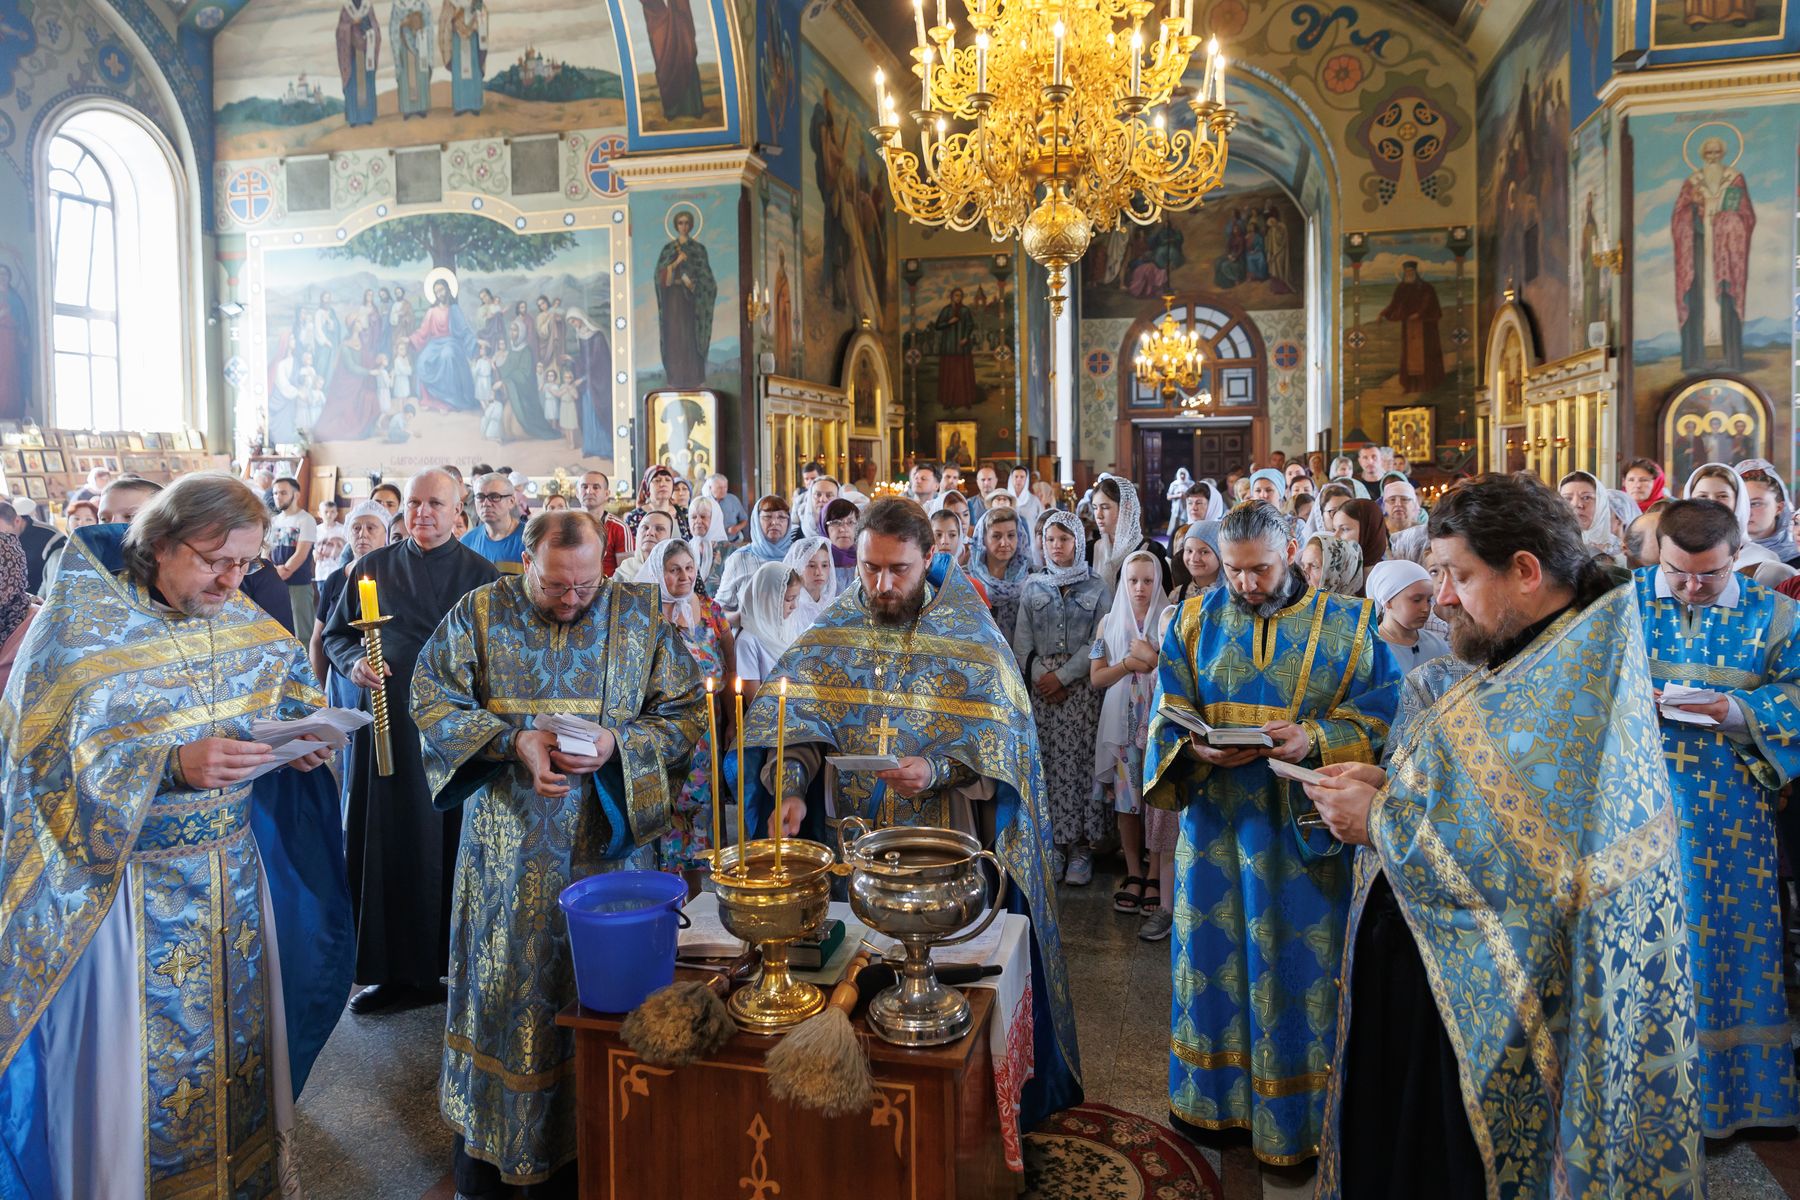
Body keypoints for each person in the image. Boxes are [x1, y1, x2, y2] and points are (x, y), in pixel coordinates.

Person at [1306, 473, 1703, 1198]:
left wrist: (1381, 823)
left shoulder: (1575, 682)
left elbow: (1536, 867)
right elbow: (1493, 804)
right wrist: (1394, 789)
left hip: (1496, 1021)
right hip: (1448, 979)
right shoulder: (1547, 649)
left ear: (1525, 570)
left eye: (1457, 576)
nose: (1445, 597)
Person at [0, 475, 352, 1197]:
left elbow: (287, 688)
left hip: (234, 888)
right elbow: (37, 763)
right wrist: (166, 764)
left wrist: (306, 739)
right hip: (125, 904)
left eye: (246, 564)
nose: (232, 580)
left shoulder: (237, 614)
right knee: (132, 1086)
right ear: (159, 545)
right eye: (213, 561)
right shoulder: (77, 629)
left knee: (236, 1069)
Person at [740, 497, 1081, 1129]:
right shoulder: (837, 626)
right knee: (852, 983)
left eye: (898, 569)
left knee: (942, 995)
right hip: (849, 845)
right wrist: (789, 786)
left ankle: (956, 1124)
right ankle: (848, 1114)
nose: (882, 584)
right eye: (869, 568)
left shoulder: (971, 635)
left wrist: (938, 767)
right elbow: (799, 725)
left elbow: (1003, 744)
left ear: (930, 558)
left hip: (942, 844)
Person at [412, 510, 703, 1197]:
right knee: (510, 993)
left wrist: (615, 748)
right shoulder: (480, 611)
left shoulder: (637, 616)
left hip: (610, 857)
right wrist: (514, 741)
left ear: (604, 564)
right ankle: (493, 1165)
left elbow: (686, 710)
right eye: (554, 587)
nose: (571, 600)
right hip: (507, 859)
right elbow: (431, 694)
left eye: (584, 585)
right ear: (526, 561)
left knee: (605, 1005)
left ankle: (607, 1162)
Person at [1143, 499, 1399, 1164]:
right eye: (1233, 570)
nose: (1246, 584)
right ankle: (1214, 1107)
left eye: (1259, 568)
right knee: (1212, 964)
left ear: (1290, 550)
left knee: (1298, 976)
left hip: (1303, 837)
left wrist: (1313, 735)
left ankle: (1300, 1121)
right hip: (1216, 831)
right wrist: (1193, 750)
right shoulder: (1193, 618)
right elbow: (1169, 708)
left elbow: (1383, 716)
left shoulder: (1351, 623)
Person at [1634, 498, 1800, 1136]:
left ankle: (1737, 1103)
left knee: (1725, 940)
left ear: (1738, 557)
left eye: (1709, 574)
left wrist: (1734, 713)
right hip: (1637, 809)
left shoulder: (1777, 614)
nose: (1691, 587)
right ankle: (1650, 1106)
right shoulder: (1626, 607)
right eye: (1677, 573)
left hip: (1731, 813)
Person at [323, 469, 499, 1014]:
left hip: (452, 733)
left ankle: (457, 967)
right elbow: (337, 635)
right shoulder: (371, 568)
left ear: (457, 512)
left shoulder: (481, 573)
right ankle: (396, 973)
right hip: (387, 730)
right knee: (390, 843)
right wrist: (354, 664)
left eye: (435, 504)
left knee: (449, 843)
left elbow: (499, 656)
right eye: (415, 503)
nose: (423, 513)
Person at [1015, 511, 1111, 884]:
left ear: (1078, 542)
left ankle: (1081, 848)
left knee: (1080, 764)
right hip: (1043, 693)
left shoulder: (1097, 587)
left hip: (1081, 689)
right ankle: (1053, 844)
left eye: (1064, 540)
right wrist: (1042, 676)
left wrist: (1065, 676)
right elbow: (1021, 642)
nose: (1057, 547)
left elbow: (1100, 640)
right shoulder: (1032, 586)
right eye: (1050, 540)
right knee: (1049, 765)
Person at [636, 537, 732, 878]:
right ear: (659, 572)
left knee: (703, 802)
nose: (684, 576)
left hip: (708, 727)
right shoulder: (646, 614)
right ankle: (667, 883)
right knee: (672, 799)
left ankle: (696, 881)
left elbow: (728, 661)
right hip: (666, 727)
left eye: (689, 568)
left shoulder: (709, 609)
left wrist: (732, 720)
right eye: (674, 570)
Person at [1090, 550, 1172, 939]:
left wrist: (1154, 658)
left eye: (1148, 580)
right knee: (1126, 800)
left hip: (1157, 723)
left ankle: (1156, 874)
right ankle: (1134, 872)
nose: (1140, 588)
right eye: (1133, 580)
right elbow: (1097, 677)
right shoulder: (1107, 623)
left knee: (1156, 800)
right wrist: (1129, 663)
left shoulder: (1170, 619)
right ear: (1123, 583)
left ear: (1158, 582)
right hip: (1122, 722)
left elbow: (1180, 669)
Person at [1365, 559, 1449, 671]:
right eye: (1416, 600)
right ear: (1388, 601)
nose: (1426, 608)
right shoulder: (1370, 651)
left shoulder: (1437, 643)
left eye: (1429, 600)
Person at [1091, 474, 1169, 591]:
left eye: (1105, 507)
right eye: (1095, 507)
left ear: (1126, 508)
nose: (1098, 515)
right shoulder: (1091, 550)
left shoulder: (1152, 552)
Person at [715, 495, 794, 609]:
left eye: (781, 517)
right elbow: (721, 607)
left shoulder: (799, 556)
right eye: (767, 517)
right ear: (756, 520)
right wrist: (740, 618)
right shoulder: (739, 559)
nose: (774, 522)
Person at [734, 562, 798, 700]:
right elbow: (754, 699)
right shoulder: (747, 641)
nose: (794, 606)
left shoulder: (788, 629)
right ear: (767, 599)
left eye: (795, 598)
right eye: (788, 599)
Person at [971, 508, 1029, 653]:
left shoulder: (1030, 577)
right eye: (996, 536)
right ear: (983, 538)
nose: (1005, 543)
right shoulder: (968, 578)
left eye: (1011, 535)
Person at [269, 475, 320, 634]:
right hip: (276, 583)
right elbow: (266, 551)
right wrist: (270, 572)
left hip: (298, 584)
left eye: (283, 493)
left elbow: (301, 553)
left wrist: (284, 571)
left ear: (296, 495)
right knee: (278, 629)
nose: (278, 497)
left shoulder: (306, 519)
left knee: (302, 631)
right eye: (275, 493)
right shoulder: (274, 521)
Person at [462, 471, 526, 573]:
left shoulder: (531, 540)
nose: (486, 503)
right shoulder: (467, 543)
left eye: (495, 497)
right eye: (480, 497)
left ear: (511, 501)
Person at [1738, 460, 1800, 565]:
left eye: (1756, 504)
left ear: (1779, 508)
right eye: (1742, 504)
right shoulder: (1724, 555)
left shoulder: (1797, 554)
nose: (1747, 512)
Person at [1557, 470, 1623, 561]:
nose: (1577, 504)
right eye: (1568, 498)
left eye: (1586, 498)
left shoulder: (1620, 549)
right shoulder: (1553, 545)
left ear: (1601, 503)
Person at [576, 470, 630, 576]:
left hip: (607, 588)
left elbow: (626, 573)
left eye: (596, 487)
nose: (589, 491)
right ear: (577, 493)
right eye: (584, 487)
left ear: (606, 494)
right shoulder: (567, 525)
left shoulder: (619, 528)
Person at [782, 534, 836, 631]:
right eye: (811, 566)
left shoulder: (832, 606)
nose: (819, 572)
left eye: (824, 565)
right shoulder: (791, 608)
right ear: (797, 567)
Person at [1330, 499, 1388, 585]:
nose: (1335, 537)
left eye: (1345, 529)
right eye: (1334, 529)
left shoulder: (1386, 578)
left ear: (1369, 530)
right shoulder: (1334, 570)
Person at [628, 464, 692, 540]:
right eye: (657, 480)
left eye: (668, 480)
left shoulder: (685, 515)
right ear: (647, 487)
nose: (663, 484)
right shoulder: (634, 517)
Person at [614, 509, 674, 583]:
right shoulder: (626, 569)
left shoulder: (676, 571)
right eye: (645, 528)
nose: (649, 532)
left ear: (671, 538)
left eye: (659, 529)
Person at [1168, 521, 1221, 602]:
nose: (1194, 558)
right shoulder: (1178, 595)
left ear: (1220, 554)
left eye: (1204, 552)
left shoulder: (1231, 596)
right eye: (1189, 551)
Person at [1301, 529, 1364, 597]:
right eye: (1303, 565)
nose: (1304, 573)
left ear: (1339, 572)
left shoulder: (1359, 607)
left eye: (1314, 566)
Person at [1381, 476, 1429, 565]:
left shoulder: (1422, 532)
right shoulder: (1378, 530)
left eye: (1404, 499)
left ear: (1414, 504)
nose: (1398, 504)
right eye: (1392, 500)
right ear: (1385, 505)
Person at [687, 494, 728, 595]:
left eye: (703, 517)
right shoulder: (685, 549)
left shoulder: (729, 551)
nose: (698, 521)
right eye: (693, 517)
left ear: (715, 519)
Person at [821, 496, 861, 591]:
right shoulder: (815, 561)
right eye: (836, 522)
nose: (843, 529)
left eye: (850, 522)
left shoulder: (865, 558)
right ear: (824, 527)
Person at [708, 473, 750, 545]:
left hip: (733, 542)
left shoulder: (733, 499)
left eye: (725, 487)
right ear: (710, 487)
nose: (723, 490)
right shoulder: (704, 502)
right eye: (720, 488)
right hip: (711, 544)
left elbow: (744, 519)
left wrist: (736, 528)